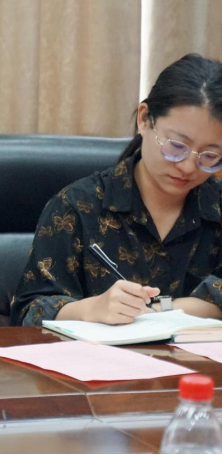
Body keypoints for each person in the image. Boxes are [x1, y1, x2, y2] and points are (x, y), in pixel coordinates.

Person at [12, 54, 222, 326]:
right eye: (176, 146)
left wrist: (157, 309)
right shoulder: (76, 208)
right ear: (144, 119)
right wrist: (90, 309)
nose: (188, 166)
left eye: (210, 155)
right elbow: (29, 311)